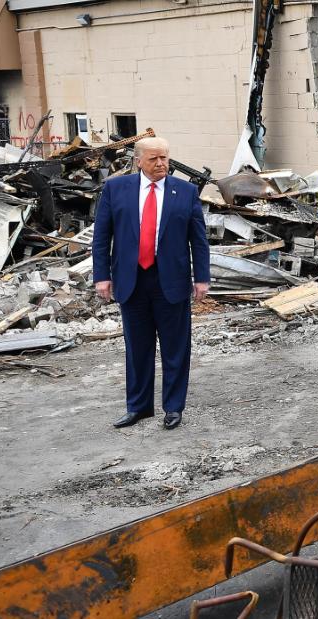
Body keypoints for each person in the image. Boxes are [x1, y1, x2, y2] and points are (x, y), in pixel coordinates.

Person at [92, 137, 210, 430]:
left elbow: (199, 240)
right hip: (131, 280)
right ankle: (139, 407)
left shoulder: (185, 191)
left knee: (175, 348)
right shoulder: (116, 189)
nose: (161, 164)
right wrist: (102, 276)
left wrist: (202, 278)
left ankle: (173, 408)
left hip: (170, 280)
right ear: (138, 161)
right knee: (137, 347)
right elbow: (102, 237)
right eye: (154, 159)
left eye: (165, 158)